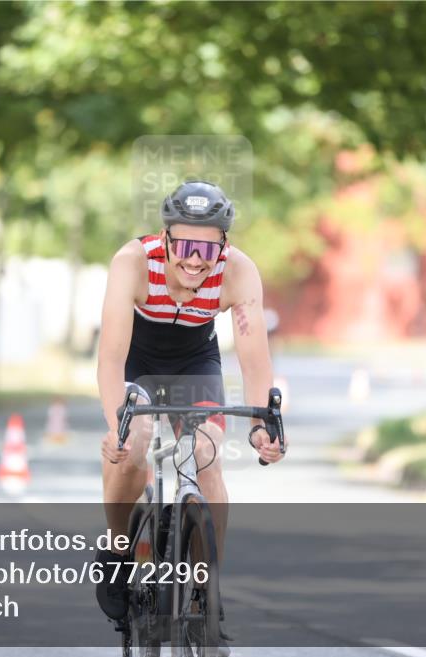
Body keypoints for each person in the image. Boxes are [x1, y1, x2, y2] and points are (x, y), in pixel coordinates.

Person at [95, 180, 286, 625]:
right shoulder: (133, 263)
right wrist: (116, 425)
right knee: (135, 442)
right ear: (164, 238)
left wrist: (261, 426)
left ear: (223, 245)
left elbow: (254, 356)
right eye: (183, 245)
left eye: (207, 249)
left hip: (195, 359)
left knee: (206, 454)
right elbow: (110, 357)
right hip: (137, 360)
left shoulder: (238, 272)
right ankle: (117, 547)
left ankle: (205, 584)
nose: (194, 260)